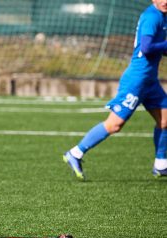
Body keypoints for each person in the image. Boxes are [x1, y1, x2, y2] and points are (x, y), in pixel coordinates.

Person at [63, 0, 167, 180]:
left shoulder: (163, 16)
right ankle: (75, 153)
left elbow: (159, 49)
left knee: (165, 120)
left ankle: (161, 164)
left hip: (150, 81)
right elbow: (147, 47)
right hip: (136, 81)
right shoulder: (152, 17)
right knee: (114, 125)